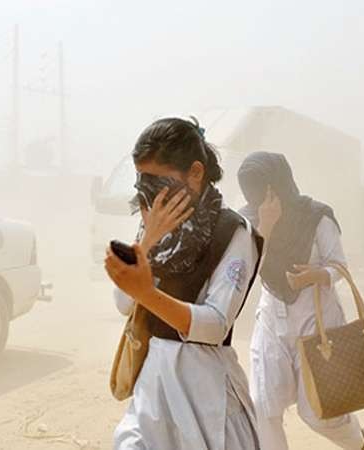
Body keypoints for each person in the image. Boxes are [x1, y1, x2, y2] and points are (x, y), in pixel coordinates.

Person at [105, 117, 263, 450]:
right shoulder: (151, 228)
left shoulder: (234, 233)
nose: (152, 197)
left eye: (160, 183)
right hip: (154, 383)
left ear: (195, 173)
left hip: (206, 390)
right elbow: (124, 304)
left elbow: (215, 326)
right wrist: (147, 241)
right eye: (143, 185)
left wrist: (147, 293)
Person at [237, 152, 364, 450]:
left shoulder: (317, 216)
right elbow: (245, 270)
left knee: (318, 413)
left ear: (277, 187)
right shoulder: (248, 221)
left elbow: (340, 266)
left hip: (317, 320)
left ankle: (358, 442)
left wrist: (316, 275)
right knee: (263, 405)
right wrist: (266, 230)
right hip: (272, 317)